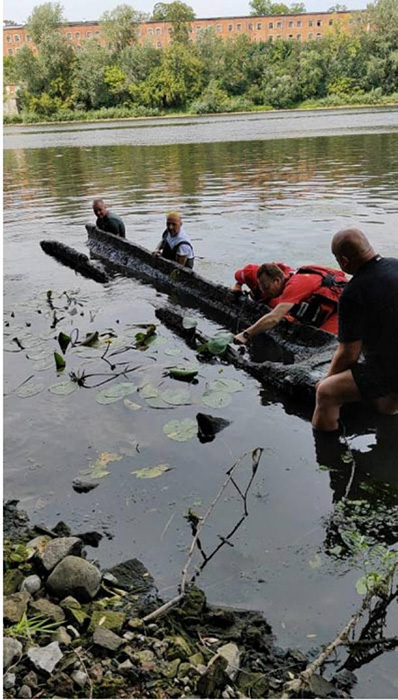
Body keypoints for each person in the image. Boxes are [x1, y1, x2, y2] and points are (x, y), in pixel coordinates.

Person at [312, 228, 398, 432]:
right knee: (385, 406)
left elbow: (349, 354)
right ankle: (387, 437)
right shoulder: (396, 264)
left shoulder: (354, 292)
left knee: (326, 393)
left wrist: (327, 379)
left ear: (343, 260)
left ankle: (327, 454)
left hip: (391, 368)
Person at [234, 260, 347, 343]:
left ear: (277, 281)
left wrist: (246, 335)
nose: (265, 292)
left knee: (323, 341)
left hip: (342, 310)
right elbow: (240, 275)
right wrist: (238, 285)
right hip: (318, 310)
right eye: (261, 289)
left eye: (266, 288)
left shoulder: (294, 285)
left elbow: (274, 318)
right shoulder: (256, 275)